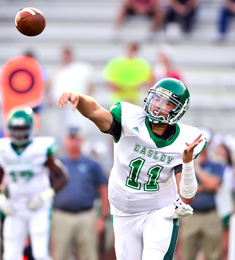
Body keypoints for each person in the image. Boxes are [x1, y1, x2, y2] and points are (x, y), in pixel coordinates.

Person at [57, 77, 207, 260]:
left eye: (166, 103)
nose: (157, 105)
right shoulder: (129, 119)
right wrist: (79, 98)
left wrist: (187, 161)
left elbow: (187, 197)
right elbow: (96, 111)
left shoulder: (186, 139)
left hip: (158, 211)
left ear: (177, 110)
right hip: (123, 211)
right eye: (157, 99)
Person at [0, 106, 68, 260]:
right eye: (15, 128)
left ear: (31, 127)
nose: (18, 133)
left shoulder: (41, 148)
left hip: (37, 206)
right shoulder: (4, 150)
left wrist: (45, 197)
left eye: (22, 128)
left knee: (40, 254)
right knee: (10, 255)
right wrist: (2, 199)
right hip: (15, 206)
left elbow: (63, 177)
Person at [51, 126, 109, 260]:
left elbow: (103, 189)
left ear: (82, 140)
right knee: (60, 255)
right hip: (62, 216)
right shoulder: (57, 164)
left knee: (88, 254)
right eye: (71, 139)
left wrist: (102, 217)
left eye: (76, 139)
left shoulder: (92, 165)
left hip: (86, 216)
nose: (74, 142)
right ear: (65, 140)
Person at [180, 128, 224, 260]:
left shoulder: (216, 164)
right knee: (188, 255)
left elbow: (214, 184)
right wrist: (205, 186)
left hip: (211, 215)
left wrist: (197, 168)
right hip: (190, 216)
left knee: (214, 255)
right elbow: (184, 191)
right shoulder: (185, 163)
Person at [46, 46, 95, 140]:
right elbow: (50, 86)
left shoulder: (82, 69)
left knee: (79, 132)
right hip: (61, 107)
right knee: (61, 133)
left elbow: (90, 85)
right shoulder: (57, 72)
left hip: (77, 107)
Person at [103, 41, 152, 106]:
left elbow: (147, 82)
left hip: (135, 100)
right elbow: (110, 83)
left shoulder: (143, 64)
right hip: (118, 100)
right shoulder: (115, 63)